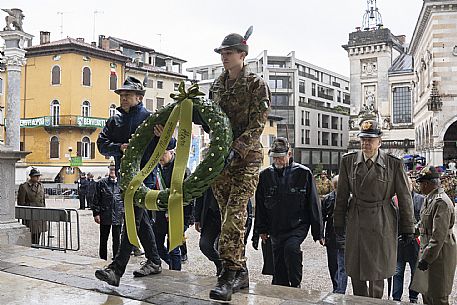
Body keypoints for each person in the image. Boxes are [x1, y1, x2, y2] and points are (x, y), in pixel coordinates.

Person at [208, 27, 271, 302]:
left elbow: (259, 122)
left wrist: (239, 147)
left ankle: (228, 274)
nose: (224, 57)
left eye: (229, 52)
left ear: (242, 55)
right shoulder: (216, 85)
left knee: (235, 215)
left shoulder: (256, 84)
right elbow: (211, 120)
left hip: (246, 159)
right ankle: (241, 271)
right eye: (222, 53)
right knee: (227, 216)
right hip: (221, 160)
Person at [334, 119, 415, 299]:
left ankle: (376, 302)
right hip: (357, 219)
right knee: (356, 269)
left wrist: (408, 228)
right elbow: (341, 196)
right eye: (363, 139)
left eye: (370, 139)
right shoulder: (348, 162)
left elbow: (404, 197)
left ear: (380, 141)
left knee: (378, 270)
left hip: (382, 219)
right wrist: (338, 222)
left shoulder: (394, 164)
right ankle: (359, 302)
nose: (366, 143)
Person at [95, 76, 162, 287]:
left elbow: (171, 142)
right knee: (140, 221)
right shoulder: (114, 121)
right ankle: (154, 261)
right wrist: (119, 147)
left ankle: (116, 269)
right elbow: (101, 144)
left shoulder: (150, 118)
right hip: (126, 179)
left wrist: (161, 136)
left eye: (128, 95)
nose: (123, 98)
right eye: (121, 95)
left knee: (132, 220)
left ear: (139, 97)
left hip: (145, 179)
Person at [254, 137, 322, 288]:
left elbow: (313, 204)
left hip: (297, 225)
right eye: (275, 157)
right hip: (275, 226)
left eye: (280, 157)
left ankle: (296, 284)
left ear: (290, 154)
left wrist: (318, 233)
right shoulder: (265, 176)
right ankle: (281, 288)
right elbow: (260, 206)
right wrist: (261, 229)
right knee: (278, 262)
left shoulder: (304, 173)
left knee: (291, 249)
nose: (277, 160)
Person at [416, 166, 456, 305]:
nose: (419, 186)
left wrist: (426, 258)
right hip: (428, 250)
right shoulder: (429, 199)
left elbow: (438, 235)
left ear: (427, 184)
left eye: (420, 183)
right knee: (427, 292)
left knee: (439, 294)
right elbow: (423, 223)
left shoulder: (441, 202)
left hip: (439, 254)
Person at [152, 139, 193, 271]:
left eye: (163, 154)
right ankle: (171, 264)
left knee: (174, 248)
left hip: (177, 215)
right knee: (156, 245)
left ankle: (176, 275)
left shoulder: (182, 170)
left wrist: (188, 220)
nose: (160, 158)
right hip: (159, 216)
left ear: (171, 152)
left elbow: (190, 197)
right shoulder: (155, 169)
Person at [194, 187, 254, 279]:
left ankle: (236, 274)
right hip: (212, 215)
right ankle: (221, 265)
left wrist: (246, 222)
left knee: (230, 248)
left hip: (231, 216)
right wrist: (197, 218)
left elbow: (245, 197)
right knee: (205, 245)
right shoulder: (209, 173)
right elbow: (200, 195)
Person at [392, 177, 424, 303]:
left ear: (412, 185)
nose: (405, 186)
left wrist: (414, 229)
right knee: (397, 272)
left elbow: (423, 218)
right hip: (398, 242)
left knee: (415, 272)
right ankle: (396, 297)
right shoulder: (394, 200)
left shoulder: (420, 199)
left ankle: (413, 297)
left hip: (414, 242)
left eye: (408, 183)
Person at [320, 175, 347, 294]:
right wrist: (320, 235)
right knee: (335, 264)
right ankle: (338, 287)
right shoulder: (328, 199)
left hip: (339, 236)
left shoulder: (348, 198)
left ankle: (339, 288)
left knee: (339, 264)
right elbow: (321, 218)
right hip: (334, 236)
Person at [92, 165, 124, 261]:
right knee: (103, 239)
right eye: (111, 169)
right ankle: (102, 258)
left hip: (118, 215)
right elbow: (96, 199)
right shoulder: (102, 183)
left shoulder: (122, 183)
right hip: (105, 214)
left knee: (117, 239)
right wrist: (96, 213)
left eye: (114, 169)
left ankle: (116, 258)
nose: (112, 171)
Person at [17, 168, 47, 245]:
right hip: (30, 215)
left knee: (38, 235)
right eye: (35, 176)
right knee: (30, 235)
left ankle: (36, 247)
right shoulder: (24, 187)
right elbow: (21, 203)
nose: (37, 178)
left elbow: (43, 200)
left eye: (38, 176)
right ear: (31, 176)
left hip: (40, 214)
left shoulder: (41, 186)